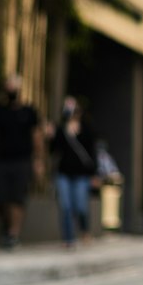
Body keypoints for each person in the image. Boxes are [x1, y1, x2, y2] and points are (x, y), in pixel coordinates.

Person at [0, 74, 43, 249]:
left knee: (17, 198)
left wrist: (38, 160)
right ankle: (7, 228)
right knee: (1, 197)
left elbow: (37, 136)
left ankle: (13, 234)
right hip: (1, 160)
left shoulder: (29, 112)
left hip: (22, 161)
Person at [47, 96, 100, 249]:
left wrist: (94, 174)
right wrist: (51, 136)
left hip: (82, 174)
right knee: (66, 206)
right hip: (64, 173)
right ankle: (69, 238)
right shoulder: (60, 129)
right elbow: (54, 151)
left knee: (81, 206)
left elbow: (92, 152)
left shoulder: (87, 128)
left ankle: (84, 229)